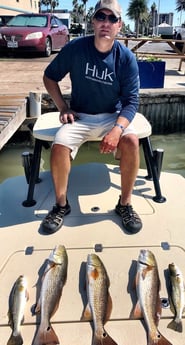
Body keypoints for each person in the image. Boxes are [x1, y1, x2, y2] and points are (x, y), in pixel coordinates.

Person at [42, 0, 142, 235]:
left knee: (132, 141)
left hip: (112, 116)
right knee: (59, 145)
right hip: (81, 116)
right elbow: (49, 77)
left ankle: (125, 204)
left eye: (112, 19)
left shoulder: (126, 58)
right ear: (93, 21)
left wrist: (118, 129)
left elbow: (131, 102)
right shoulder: (76, 48)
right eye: (101, 17)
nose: (106, 23)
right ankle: (61, 205)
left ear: (119, 25)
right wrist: (62, 107)